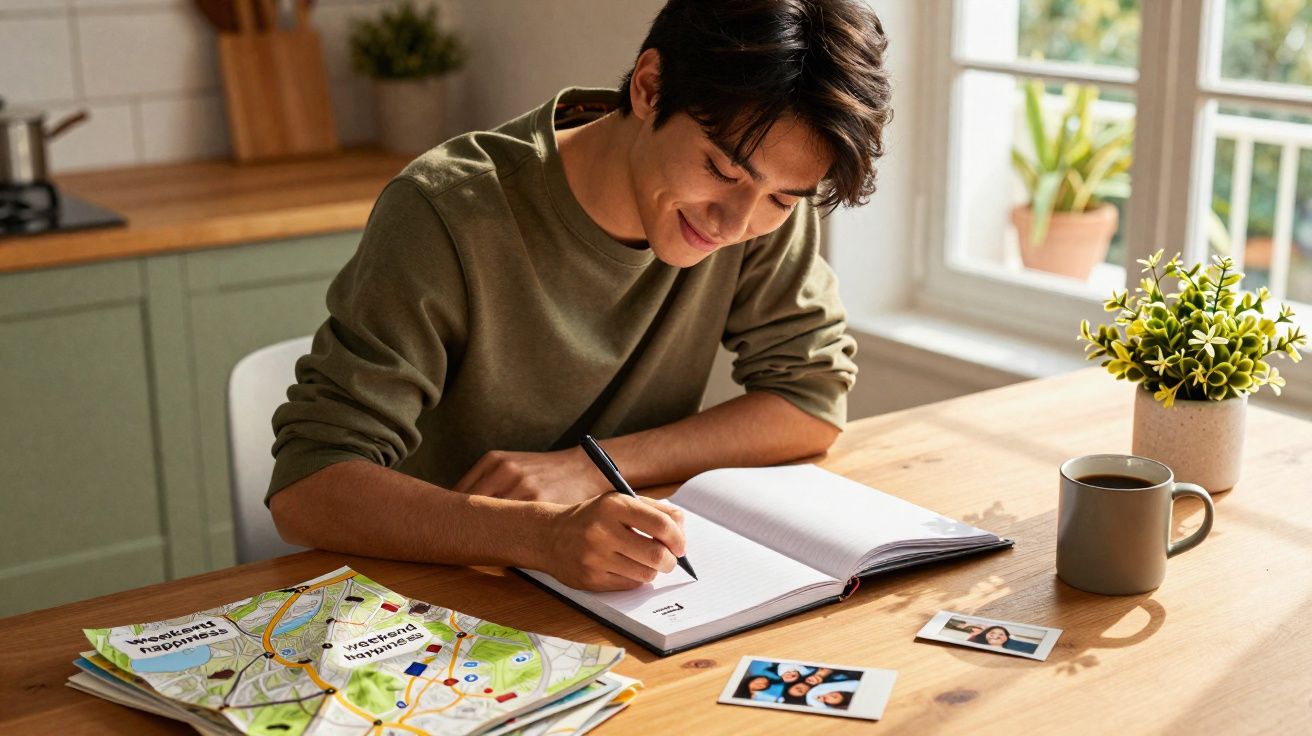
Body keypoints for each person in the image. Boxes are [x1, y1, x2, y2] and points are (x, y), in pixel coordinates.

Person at [266, 0, 892, 592]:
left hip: (612, 592)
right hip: (433, 594)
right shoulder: (448, 211)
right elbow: (309, 487)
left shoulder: (757, 203)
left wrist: (589, 466)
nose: (733, 225)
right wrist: (541, 537)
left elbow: (809, 403)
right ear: (650, 87)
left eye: (784, 198)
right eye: (721, 171)